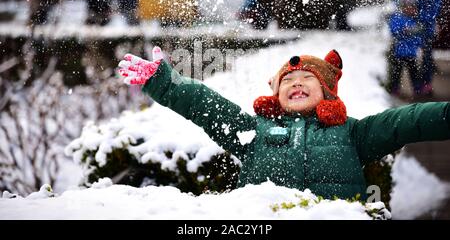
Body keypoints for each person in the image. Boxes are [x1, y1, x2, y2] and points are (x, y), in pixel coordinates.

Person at [117, 47, 450, 201]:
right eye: (288, 81)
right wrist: (164, 81)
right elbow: (207, 107)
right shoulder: (253, 132)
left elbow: (407, 121)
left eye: (308, 78)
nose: (297, 83)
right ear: (276, 94)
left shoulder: (352, 133)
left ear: (327, 93)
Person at [386, 0, 423, 97]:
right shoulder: (397, 18)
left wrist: (418, 42)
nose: (411, 9)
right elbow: (393, 30)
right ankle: (394, 88)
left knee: (414, 72)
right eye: (408, 7)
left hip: (411, 53)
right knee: (397, 73)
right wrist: (403, 31)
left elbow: (418, 35)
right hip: (399, 52)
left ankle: (417, 89)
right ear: (402, 7)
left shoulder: (414, 20)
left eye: (412, 7)